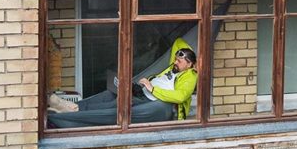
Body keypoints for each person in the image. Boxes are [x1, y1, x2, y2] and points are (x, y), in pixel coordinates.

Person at [47, 37, 198, 128]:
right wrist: (139, 88)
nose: (175, 62)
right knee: (110, 93)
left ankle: (73, 112)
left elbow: (180, 96)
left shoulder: (190, 76)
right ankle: (72, 106)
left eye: (179, 61)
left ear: (189, 64)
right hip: (142, 93)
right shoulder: (174, 68)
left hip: (152, 101)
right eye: (176, 59)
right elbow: (179, 42)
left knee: (118, 103)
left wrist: (152, 89)